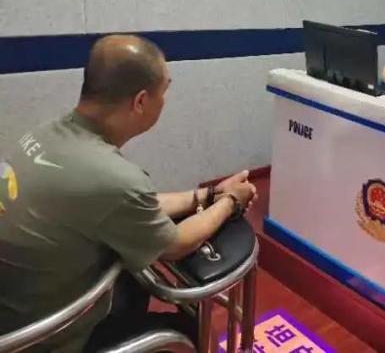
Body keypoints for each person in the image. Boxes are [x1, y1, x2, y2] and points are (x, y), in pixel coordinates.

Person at [0, 34, 257, 352]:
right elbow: (176, 244)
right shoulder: (112, 177)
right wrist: (231, 201)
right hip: (40, 339)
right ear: (141, 102)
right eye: (164, 91)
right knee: (190, 330)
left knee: (135, 283)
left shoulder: (48, 134)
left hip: (14, 309)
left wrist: (207, 195)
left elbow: (128, 204)